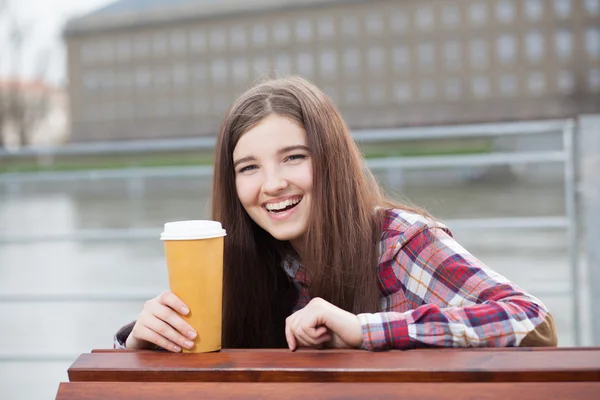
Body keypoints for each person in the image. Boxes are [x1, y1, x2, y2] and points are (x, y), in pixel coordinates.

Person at [115, 76, 557, 352]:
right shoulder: (239, 260)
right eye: (249, 167)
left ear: (331, 160)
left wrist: (366, 330)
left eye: (293, 158)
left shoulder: (399, 242)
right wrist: (140, 345)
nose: (271, 184)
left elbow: (531, 320)